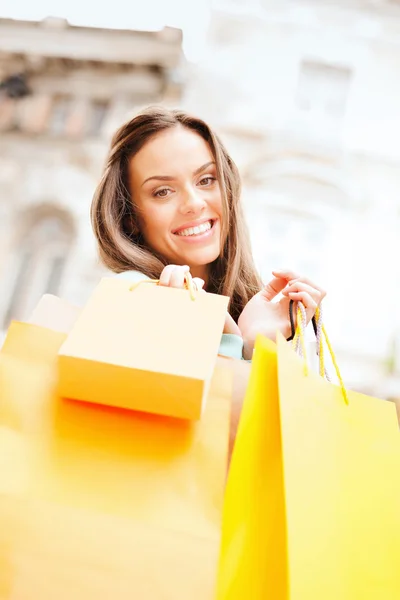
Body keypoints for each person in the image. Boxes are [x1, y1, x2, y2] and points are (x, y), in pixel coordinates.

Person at [91, 106, 326, 360]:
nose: (193, 203)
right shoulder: (131, 293)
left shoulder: (257, 311)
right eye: (162, 191)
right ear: (130, 219)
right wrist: (230, 345)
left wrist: (250, 345)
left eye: (206, 180)